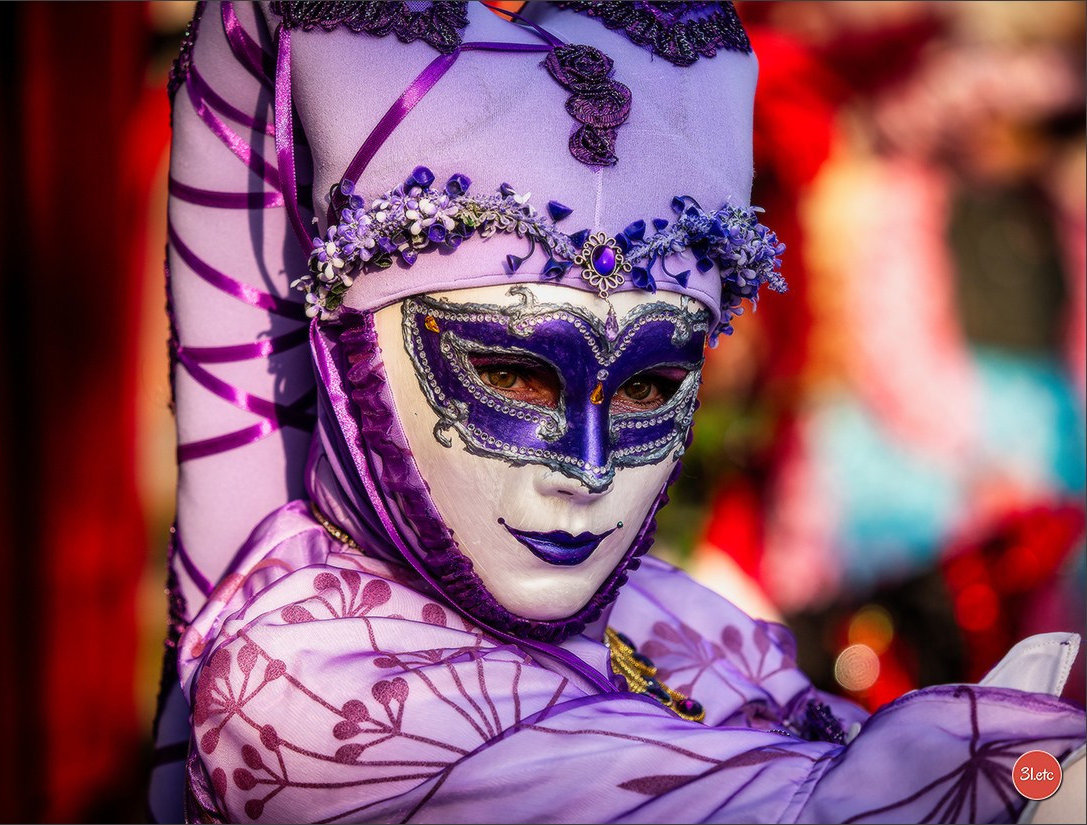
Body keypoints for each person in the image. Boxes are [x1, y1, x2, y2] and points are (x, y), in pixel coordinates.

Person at [149, 3, 1086, 822]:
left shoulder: (670, 613)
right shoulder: (309, 695)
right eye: (514, 374)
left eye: (647, 387)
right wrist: (1044, 777)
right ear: (351, 356)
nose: (589, 469)